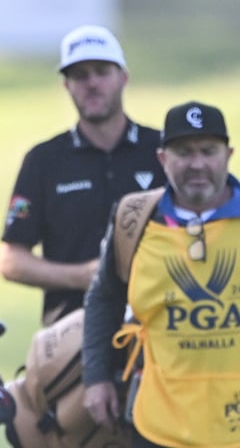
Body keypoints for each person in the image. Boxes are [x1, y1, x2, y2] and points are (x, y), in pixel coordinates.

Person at [83, 101, 240, 447]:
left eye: (208, 151)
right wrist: (96, 378)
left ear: (227, 155)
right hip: (159, 425)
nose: (197, 164)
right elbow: (104, 298)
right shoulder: (134, 220)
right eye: (184, 152)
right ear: (163, 159)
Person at [0, 24, 167, 326]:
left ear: (123, 77)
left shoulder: (163, 151)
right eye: (79, 75)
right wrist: (83, 276)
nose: (91, 83)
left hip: (161, 323)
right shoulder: (44, 160)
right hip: (72, 333)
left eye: (102, 71)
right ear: (66, 85)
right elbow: (11, 260)